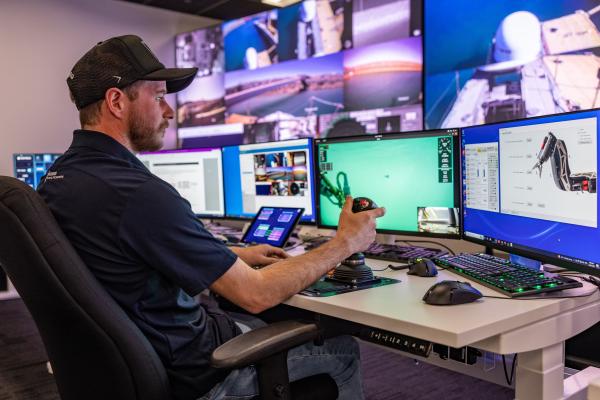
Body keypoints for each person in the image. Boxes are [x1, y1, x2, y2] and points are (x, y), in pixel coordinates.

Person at [38, 35, 385, 400]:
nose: (169, 111)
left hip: (128, 363)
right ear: (116, 101)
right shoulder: (138, 193)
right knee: (341, 347)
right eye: (158, 96)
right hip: (199, 374)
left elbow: (122, 260)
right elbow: (257, 293)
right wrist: (346, 242)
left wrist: (230, 256)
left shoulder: (60, 180)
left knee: (259, 318)